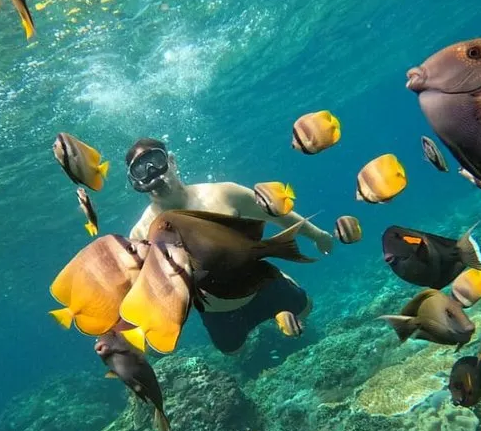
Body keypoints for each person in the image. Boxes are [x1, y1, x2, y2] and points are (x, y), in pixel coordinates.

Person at [126, 138, 334, 354]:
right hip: (219, 312)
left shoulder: (224, 193)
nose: (152, 172)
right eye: (140, 170)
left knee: (305, 310)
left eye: (156, 160)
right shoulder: (141, 234)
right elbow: (150, 289)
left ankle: (280, 277)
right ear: (136, 182)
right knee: (233, 352)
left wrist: (317, 235)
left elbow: (277, 213)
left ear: (171, 161)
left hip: (263, 286)